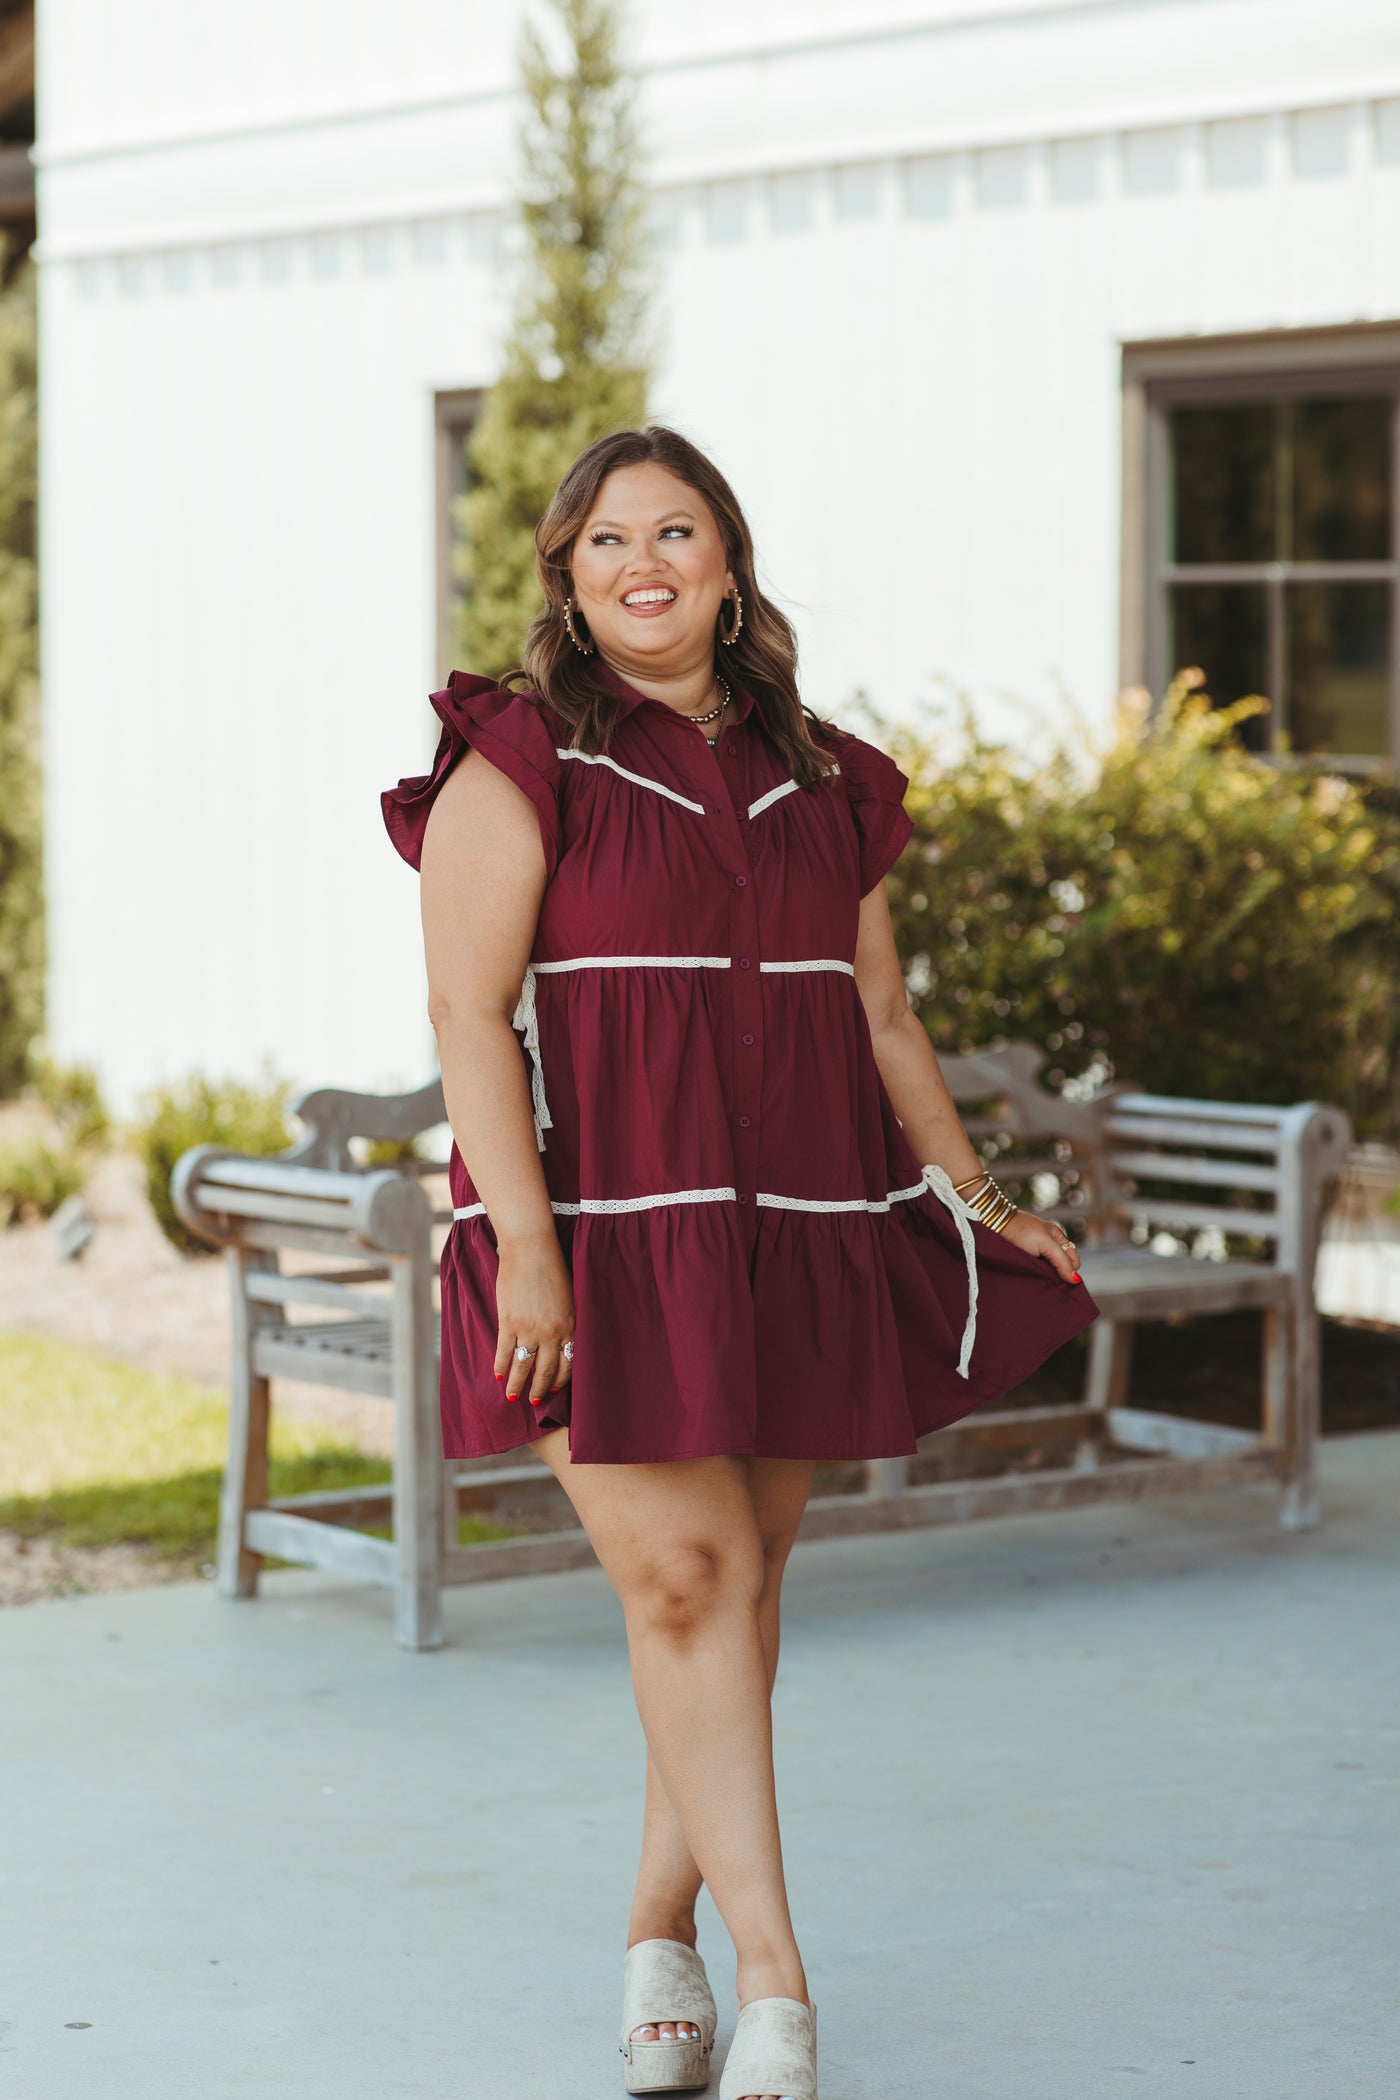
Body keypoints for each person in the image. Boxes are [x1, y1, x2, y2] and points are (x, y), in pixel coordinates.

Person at [381, 425, 1098, 2100]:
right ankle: (778, 1982)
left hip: (795, 1233)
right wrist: (535, 1263)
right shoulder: (520, 767)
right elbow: (466, 1020)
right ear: (566, 577)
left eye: (679, 530)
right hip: (599, 1246)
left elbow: (882, 1012)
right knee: (686, 1584)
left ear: (728, 561)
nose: (646, 561)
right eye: (610, 538)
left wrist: (986, 1205)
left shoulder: (827, 778)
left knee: (739, 1596)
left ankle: (657, 1934)